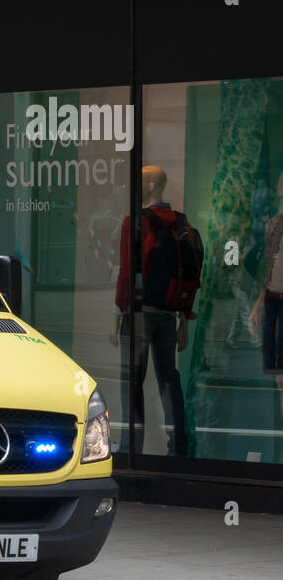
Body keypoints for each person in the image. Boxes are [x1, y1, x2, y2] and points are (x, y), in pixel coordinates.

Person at [111, 166, 202, 457]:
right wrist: (184, 318)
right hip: (169, 312)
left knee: (132, 381)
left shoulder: (135, 221)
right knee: (168, 379)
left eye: (139, 181)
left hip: (140, 312)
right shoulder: (181, 222)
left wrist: (118, 311)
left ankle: (130, 450)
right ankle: (179, 448)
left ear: (150, 186)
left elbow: (127, 271)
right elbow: (189, 269)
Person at [249, 172, 283, 400]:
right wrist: (260, 300)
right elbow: (269, 263)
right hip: (272, 293)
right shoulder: (274, 224)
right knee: (271, 353)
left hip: (275, 294)